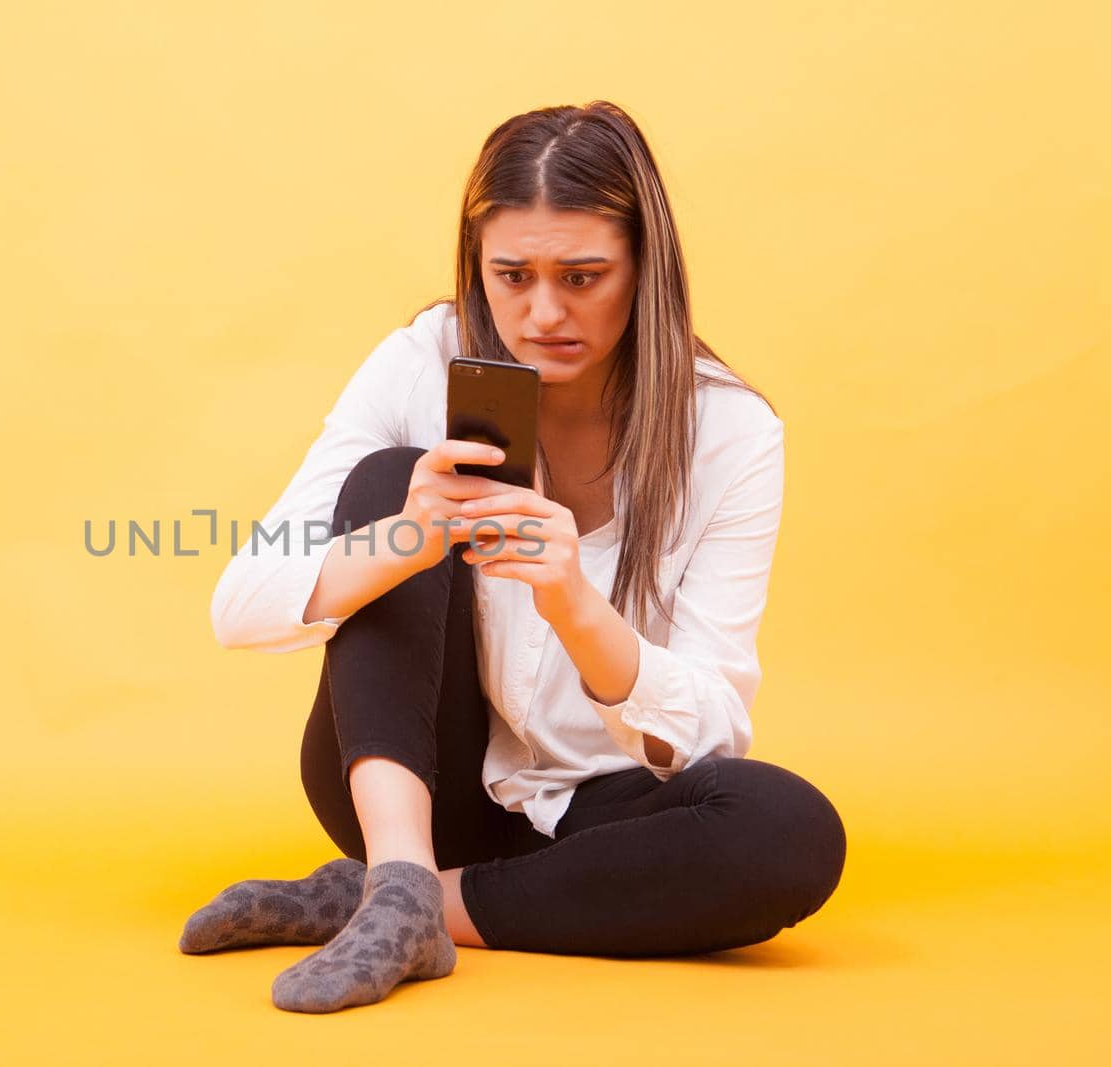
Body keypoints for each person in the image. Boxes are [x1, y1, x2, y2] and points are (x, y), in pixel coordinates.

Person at [178, 101, 846, 1014]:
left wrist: (576, 604)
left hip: (603, 810)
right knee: (389, 484)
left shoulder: (729, 431)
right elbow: (239, 603)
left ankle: (397, 899)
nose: (544, 312)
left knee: (787, 831)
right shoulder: (421, 362)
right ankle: (402, 867)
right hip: (412, 785)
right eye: (512, 275)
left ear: (645, 268)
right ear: (477, 266)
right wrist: (407, 538)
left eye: (583, 276)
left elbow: (707, 737)